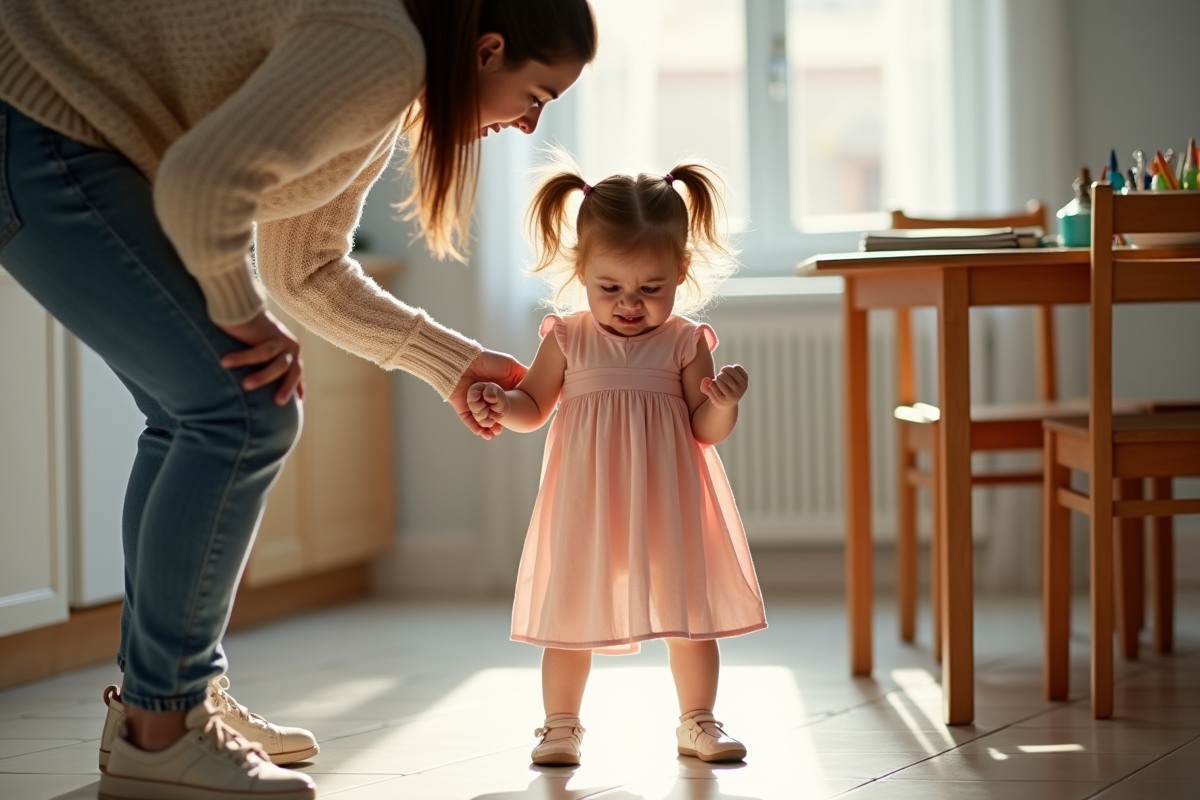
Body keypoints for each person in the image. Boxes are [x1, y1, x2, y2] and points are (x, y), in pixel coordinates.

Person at [0, 1, 595, 797]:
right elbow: (201, 185)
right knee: (242, 410)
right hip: (38, 115)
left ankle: (165, 704)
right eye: (538, 96)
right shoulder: (380, 50)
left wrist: (453, 365)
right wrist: (244, 316)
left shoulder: (388, 74)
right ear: (488, 50)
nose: (527, 126)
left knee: (192, 413)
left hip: (52, 125)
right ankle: (161, 730)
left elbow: (306, 268)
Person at [466, 158, 767, 767]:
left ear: (680, 273)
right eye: (611, 288)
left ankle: (698, 719)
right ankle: (559, 725)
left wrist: (725, 405)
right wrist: (503, 403)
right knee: (569, 612)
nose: (630, 304)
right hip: (587, 500)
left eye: (651, 288)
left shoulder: (685, 342)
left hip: (670, 500)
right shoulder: (568, 337)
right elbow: (534, 406)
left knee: (689, 615)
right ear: (582, 272)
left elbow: (703, 431)